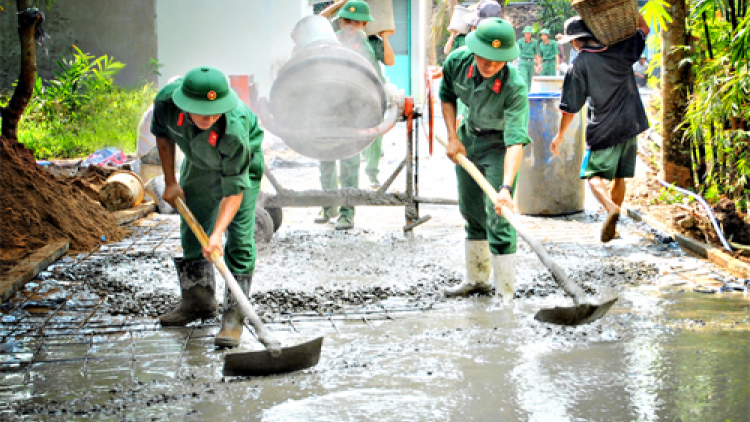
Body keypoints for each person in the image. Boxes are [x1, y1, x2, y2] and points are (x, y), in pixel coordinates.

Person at [151, 66, 265, 348]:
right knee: (193, 231)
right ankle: (198, 302)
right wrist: (169, 181)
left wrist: (217, 234)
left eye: (216, 112)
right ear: (184, 104)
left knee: (238, 238)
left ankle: (234, 316)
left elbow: (234, 192)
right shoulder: (166, 103)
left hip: (240, 168)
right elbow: (163, 137)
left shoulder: (234, 130)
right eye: (203, 112)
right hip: (199, 163)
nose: (210, 118)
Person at [440, 18, 531, 302]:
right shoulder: (457, 62)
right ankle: (477, 280)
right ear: (474, 49)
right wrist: (453, 136)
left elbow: (515, 142)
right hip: (468, 139)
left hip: (498, 145)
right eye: (485, 57)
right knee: (470, 211)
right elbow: (446, 96)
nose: (490, 65)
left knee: (500, 217)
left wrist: (505, 187)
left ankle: (505, 293)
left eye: (498, 60)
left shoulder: (514, 87)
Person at [551, 15, 650, 242]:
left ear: (576, 41)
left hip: (604, 128)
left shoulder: (579, 65)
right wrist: (631, 9)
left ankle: (611, 208)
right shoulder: (621, 49)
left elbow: (569, 108)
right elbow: (643, 28)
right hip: (631, 122)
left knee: (593, 175)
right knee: (619, 176)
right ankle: (613, 227)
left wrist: (560, 135)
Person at [316, 0, 394, 229]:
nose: (351, 25)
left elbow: (389, 60)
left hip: (357, 106)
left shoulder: (371, 43)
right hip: (330, 103)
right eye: (347, 20)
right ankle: (327, 205)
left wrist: (386, 37)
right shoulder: (331, 38)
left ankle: (347, 212)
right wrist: (341, 3)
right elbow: (319, 21)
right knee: (325, 156)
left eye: (356, 21)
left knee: (349, 159)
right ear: (340, 21)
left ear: (363, 24)